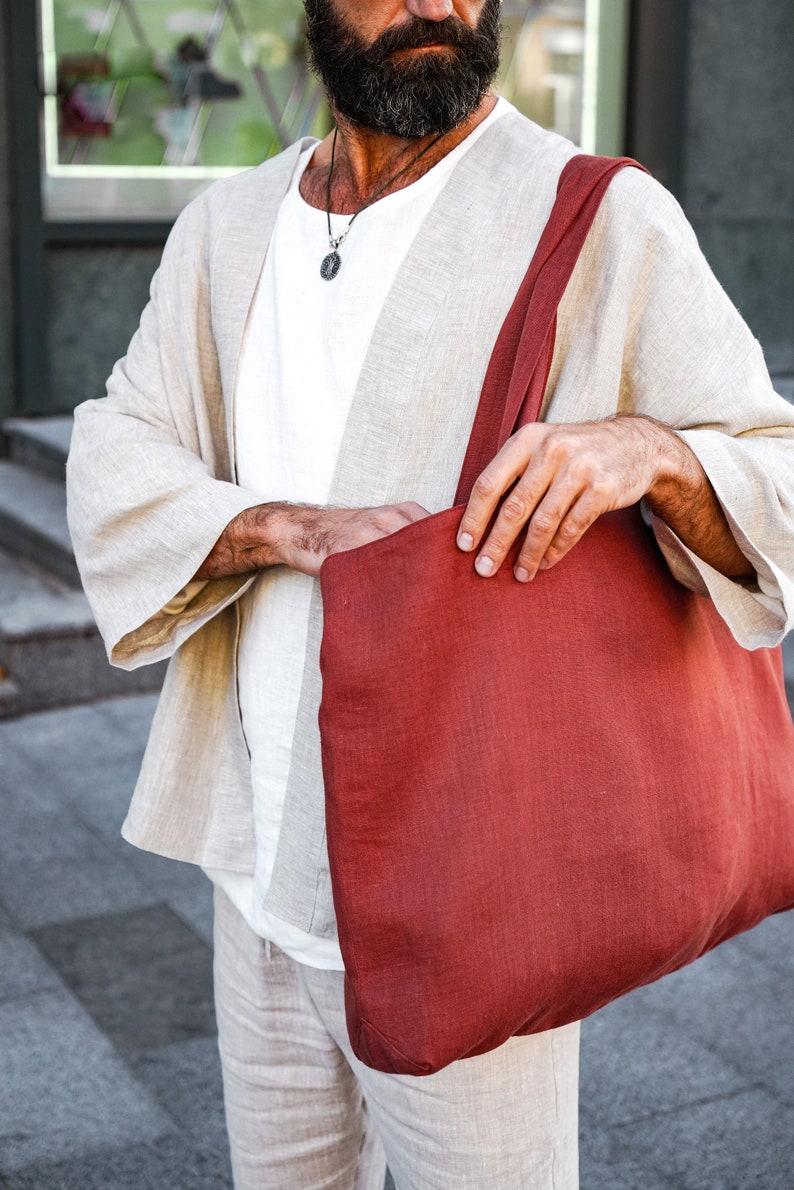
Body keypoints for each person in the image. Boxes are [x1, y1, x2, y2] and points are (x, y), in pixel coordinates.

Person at [66, 1, 794, 1186]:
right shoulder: (225, 227)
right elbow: (117, 445)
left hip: (472, 873)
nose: (436, 4)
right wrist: (285, 525)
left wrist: (647, 447)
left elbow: (776, 471)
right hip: (257, 860)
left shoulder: (600, 215)